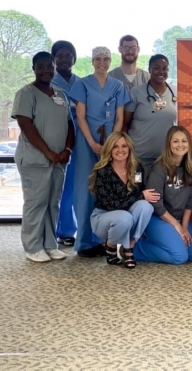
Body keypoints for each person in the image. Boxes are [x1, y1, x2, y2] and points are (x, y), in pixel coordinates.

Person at [11, 51, 75, 262]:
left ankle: (50, 244)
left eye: (50, 66)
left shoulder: (60, 94)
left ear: (54, 68)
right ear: (34, 69)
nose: (46, 70)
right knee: (36, 203)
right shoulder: (26, 93)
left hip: (58, 160)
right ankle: (32, 247)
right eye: (41, 66)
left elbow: (69, 124)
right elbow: (25, 125)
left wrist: (67, 150)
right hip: (35, 160)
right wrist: (48, 152)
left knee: (52, 203)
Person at [69, 47, 130, 257]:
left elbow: (120, 117)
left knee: (107, 189)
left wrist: (113, 143)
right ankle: (85, 242)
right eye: (98, 59)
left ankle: (105, 241)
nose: (102, 63)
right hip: (87, 142)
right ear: (92, 61)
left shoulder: (118, 86)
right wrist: (92, 143)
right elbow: (81, 117)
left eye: (106, 59)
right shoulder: (82, 84)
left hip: (111, 143)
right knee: (86, 190)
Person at [133, 126, 192, 264]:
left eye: (184, 141)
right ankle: (134, 247)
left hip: (178, 218)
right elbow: (156, 204)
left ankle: (165, 242)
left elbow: (191, 199)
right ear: (169, 144)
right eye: (175, 141)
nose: (180, 145)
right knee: (179, 257)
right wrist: (176, 226)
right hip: (157, 218)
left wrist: (184, 226)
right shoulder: (159, 167)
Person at [89, 132, 157, 269]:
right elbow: (112, 204)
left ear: (129, 148)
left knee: (146, 206)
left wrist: (141, 197)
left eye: (124, 146)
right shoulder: (103, 171)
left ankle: (129, 246)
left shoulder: (137, 168)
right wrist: (140, 196)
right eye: (115, 147)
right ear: (110, 149)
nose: (120, 150)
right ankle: (111, 245)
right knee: (125, 216)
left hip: (127, 216)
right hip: (104, 218)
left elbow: (139, 192)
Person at [123, 54, 177, 176]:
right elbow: (125, 123)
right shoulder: (136, 92)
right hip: (139, 156)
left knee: (160, 192)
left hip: (166, 156)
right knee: (137, 188)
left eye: (165, 68)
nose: (161, 71)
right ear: (150, 69)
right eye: (157, 67)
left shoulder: (176, 92)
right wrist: (126, 149)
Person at [50, 40, 79, 247]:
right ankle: (60, 231)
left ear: (74, 58)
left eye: (68, 55)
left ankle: (72, 230)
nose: (64, 59)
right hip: (58, 140)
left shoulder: (81, 83)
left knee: (75, 188)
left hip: (81, 141)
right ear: (53, 59)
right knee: (58, 188)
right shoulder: (47, 83)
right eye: (60, 55)